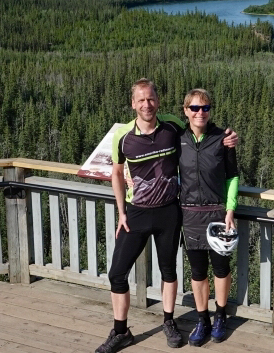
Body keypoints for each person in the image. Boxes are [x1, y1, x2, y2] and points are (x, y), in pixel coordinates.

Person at [96, 79, 236, 353]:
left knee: (169, 271)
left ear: (158, 102)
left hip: (170, 213)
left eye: (151, 99)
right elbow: (116, 172)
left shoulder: (172, 126)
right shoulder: (123, 135)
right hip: (136, 213)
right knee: (117, 274)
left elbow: (204, 138)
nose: (147, 104)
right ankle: (120, 331)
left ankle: (169, 322)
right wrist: (121, 212)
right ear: (133, 103)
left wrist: (228, 137)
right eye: (141, 100)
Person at [177, 88, 239, 346]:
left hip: (217, 213)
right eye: (194, 108)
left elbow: (232, 176)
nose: (200, 113)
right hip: (189, 213)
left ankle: (220, 316)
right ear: (186, 111)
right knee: (198, 271)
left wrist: (230, 209)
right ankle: (203, 320)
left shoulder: (223, 138)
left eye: (205, 108)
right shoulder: (177, 138)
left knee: (222, 269)